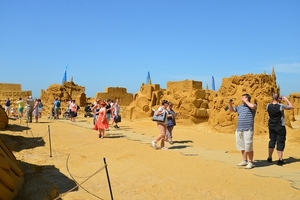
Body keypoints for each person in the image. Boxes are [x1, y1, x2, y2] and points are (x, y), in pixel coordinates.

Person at [228, 94, 257, 169]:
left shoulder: (252, 105)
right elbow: (231, 110)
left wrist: (246, 101)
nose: (242, 99)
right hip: (239, 129)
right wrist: (230, 103)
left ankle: (251, 162)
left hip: (248, 129)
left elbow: (253, 106)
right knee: (242, 146)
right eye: (242, 97)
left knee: (248, 146)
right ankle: (244, 160)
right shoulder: (240, 107)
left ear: (248, 98)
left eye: (244, 97)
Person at [266, 94, 294, 166]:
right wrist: (286, 99)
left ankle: (269, 158)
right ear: (278, 98)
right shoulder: (280, 106)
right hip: (279, 127)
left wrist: (278, 100)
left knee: (272, 141)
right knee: (280, 142)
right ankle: (280, 160)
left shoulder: (268, 106)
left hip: (271, 126)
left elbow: (272, 107)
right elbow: (291, 107)